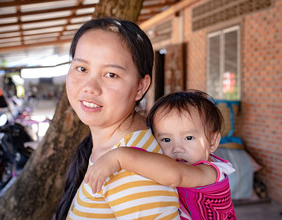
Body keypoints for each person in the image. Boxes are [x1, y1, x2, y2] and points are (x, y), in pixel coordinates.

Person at [55, 18, 180, 220]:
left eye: (111, 74)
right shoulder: (109, 149)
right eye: (82, 68)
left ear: (140, 86)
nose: (90, 87)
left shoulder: (134, 172)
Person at [85, 90, 237, 219]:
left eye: (189, 138)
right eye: (166, 139)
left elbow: (175, 176)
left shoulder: (211, 172)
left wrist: (119, 157)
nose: (177, 148)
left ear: (212, 142)